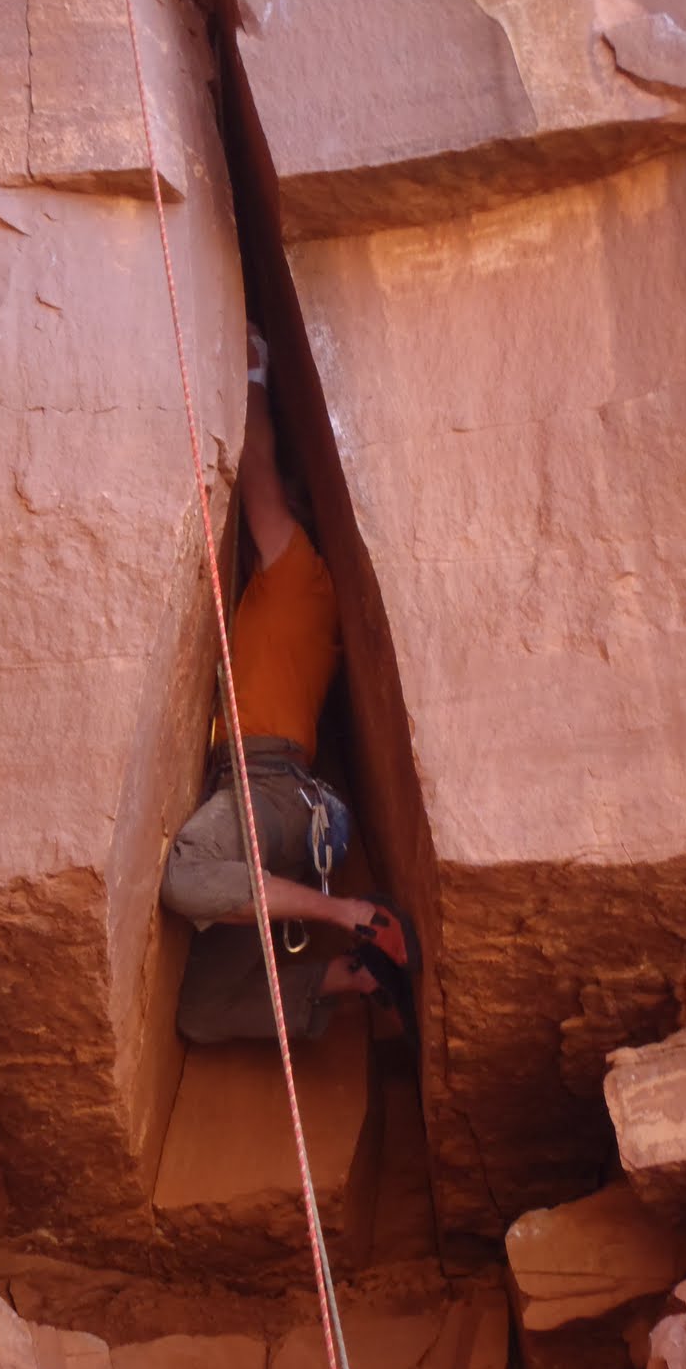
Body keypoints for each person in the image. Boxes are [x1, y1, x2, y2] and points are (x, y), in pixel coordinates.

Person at [160, 324, 418, 1044]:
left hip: (271, 789)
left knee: (187, 876)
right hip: (276, 806)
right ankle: (356, 978)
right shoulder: (285, 601)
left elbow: (261, 474)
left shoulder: (299, 575)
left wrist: (254, 377)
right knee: (202, 1012)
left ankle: (355, 918)